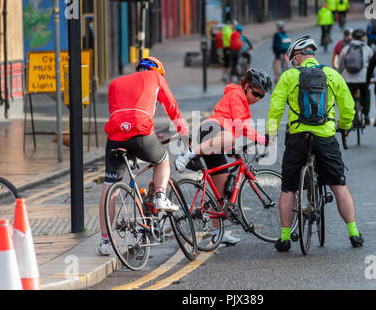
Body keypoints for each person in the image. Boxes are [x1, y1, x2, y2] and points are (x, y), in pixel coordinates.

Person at [266, 35, 364, 252]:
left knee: (289, 188)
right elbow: (347, 106)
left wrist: (270, 133)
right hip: (325, 137)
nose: (292, 63)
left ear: (298, 57)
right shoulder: (331, 75)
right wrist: (344, 126)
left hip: (298, 138)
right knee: (339, 186)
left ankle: (284, 238)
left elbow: (276, 108)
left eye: (293, 59)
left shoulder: (289, 76)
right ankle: (354, 233)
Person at [96, 57, 190, 256]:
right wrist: (185, 134)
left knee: (109, 187)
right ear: (157, 71)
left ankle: (105, 242)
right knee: (163, 160)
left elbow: (120, 113)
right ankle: (160, 197)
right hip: (141, 135)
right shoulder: (156, 78)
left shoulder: (115, 83)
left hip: (115, 137)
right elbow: (171, 107)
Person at [174, 68, 273, 245]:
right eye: (256, 93)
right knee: (228, 137)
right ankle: (188, 155)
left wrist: (235, 149)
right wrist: (260, 138)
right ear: (247, 87)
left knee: (223, 193)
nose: (257, 98)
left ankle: (218, 233)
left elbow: (234, 129)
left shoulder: (244, 103)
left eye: (261, 96)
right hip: (211, 129)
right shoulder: (236, 95)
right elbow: (237, 124)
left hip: (219, 138)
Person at [338, 28, 374, 125]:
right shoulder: (367, 49)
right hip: (363, 78)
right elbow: (372, 65)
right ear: (362, 37)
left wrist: (340, 74)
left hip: (348, 78)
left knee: (349, 98)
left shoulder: (346, 49)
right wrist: (372, 76)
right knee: (366, 94)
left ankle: (352, 118)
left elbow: (341, 64)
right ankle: (366, 116)